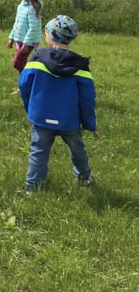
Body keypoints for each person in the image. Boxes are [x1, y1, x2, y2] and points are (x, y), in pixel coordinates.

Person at [18, 14, 100, 192]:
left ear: (49, 35)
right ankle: (84, 177)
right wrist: (90, 124)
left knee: (38, 153)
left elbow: (24, 85)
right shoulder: (80, 67)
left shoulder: (37, 59)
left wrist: (30, 108)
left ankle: (32, 188)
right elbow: (87, 98)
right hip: (69, 120)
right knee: (77, 150)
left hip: (41, 118)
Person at [7, 0, 44, 74]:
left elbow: (33, 27)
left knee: (17, 63)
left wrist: (27, 43)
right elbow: (17, 22)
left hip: (28, 42)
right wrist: (11, 38)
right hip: (20, 39)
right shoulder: (21, 5)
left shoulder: (33, 7)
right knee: (21, 63)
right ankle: (23, 87)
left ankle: (28, 81)